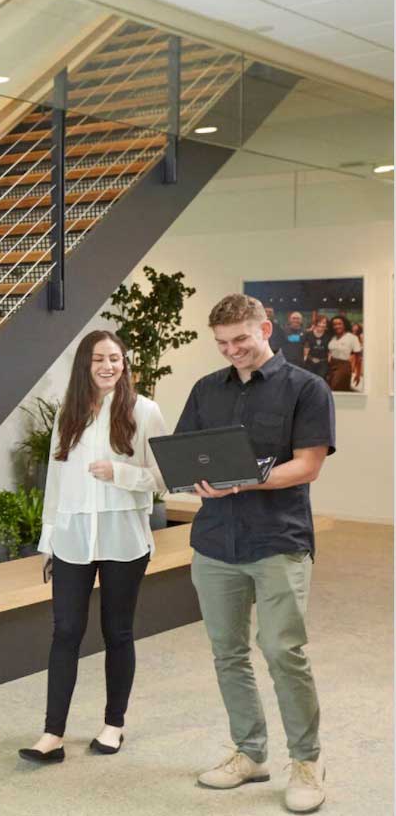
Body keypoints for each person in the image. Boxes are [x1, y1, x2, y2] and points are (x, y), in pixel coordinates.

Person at [175, 294, 333, 813]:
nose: (233, 350)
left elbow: (308, 466)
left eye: (241, 339)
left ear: (266, 328)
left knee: (284, 652)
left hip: (277, 542)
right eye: (222, 343)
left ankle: (307, 761)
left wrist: (243, 481)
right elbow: (184, 453)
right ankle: (250, 753)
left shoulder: (307, 389)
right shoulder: (205, 389)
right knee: (228, 652)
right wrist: (195, 476)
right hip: (215, 542)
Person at [19, 331, 165, 764]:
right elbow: (56, 483)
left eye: (115, 358)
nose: (107, 366)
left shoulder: (145, 411)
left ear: (125, 363)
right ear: (85, 363)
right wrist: (49, 539)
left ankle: (113, 725)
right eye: (99, 358)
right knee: (64, 632)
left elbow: (165, 477)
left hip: (124, 538)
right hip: (72, 539)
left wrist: (121, 473)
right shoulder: (69, 412)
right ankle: (51, 735)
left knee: (117, 632)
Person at [324, 314, 361, 391]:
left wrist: (357, 374)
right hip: (331, 365)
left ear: (344, 325)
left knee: (335, 388)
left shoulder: (352, 338)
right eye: (334, 324)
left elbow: (358, 357)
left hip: (344, 367)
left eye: (339, 324)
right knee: (329, 387)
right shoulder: (333, 337)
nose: (337, 326)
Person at [301, 315, 330, 380]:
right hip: (310, 362)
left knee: (320, 380)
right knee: (309, 380)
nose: (322, 324)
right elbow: (302, 344)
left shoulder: (328, 335)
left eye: (324, 323)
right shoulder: (308, 334)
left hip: (323, 363)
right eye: (320, 322)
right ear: (316, 323)